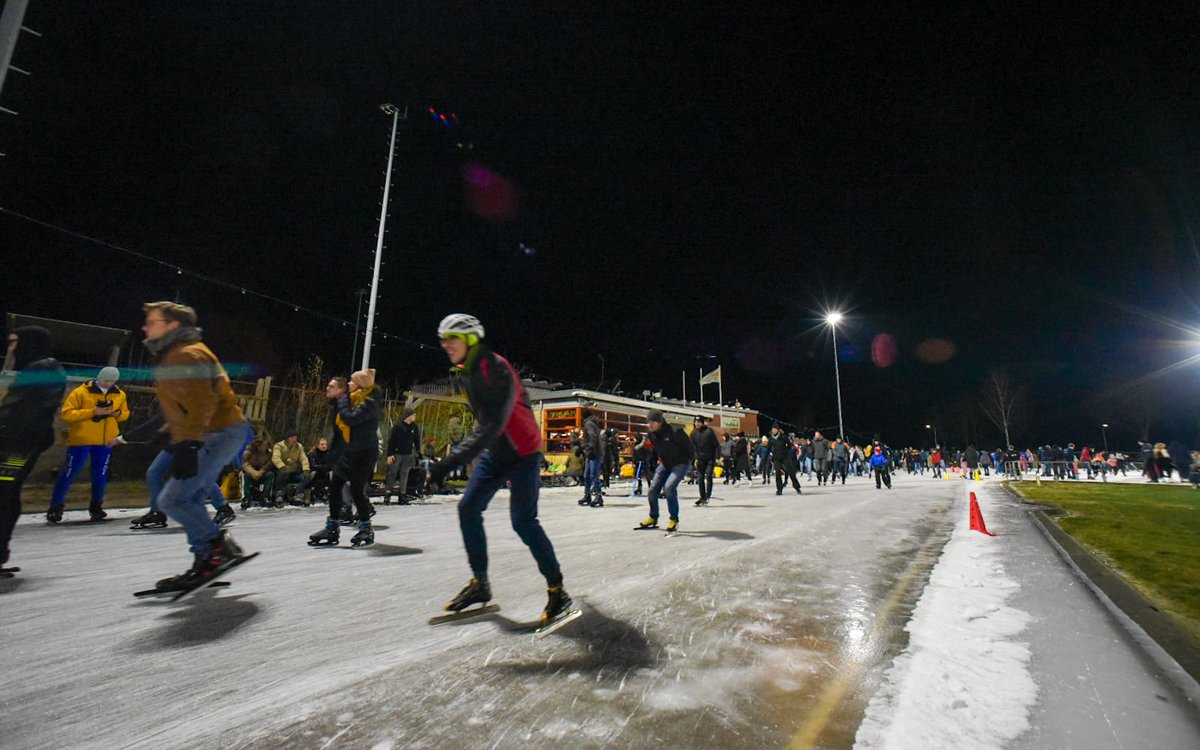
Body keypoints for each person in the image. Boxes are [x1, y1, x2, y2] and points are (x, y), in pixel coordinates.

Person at [425, 314, 572, 625]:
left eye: (451, 338)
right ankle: (481, 583)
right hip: (498, 451)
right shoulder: (470, 371)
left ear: (469, 340)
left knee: (523, 522)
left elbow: (492, 424)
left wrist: (450, 462)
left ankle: (558, 591)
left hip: (522, 453)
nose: (445, 345)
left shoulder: (495, 368)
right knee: (468, 508)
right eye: (443, 339)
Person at [139, 301, 252, 594]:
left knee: (173, 499)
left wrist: (188, 443)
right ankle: (210, 554)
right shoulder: (177, 353)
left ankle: (216, 549)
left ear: (173, 326)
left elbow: (203, 401)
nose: (145, 327)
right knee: (182, 497)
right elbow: (187, 404)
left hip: (218, 433)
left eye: (153, 322)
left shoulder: (186, 354)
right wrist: (170, 432)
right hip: (213, 431)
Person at [0, 327, 66, 571]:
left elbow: (22, 410)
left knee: (4, 491)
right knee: (7, 492)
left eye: (14, 343)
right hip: (21, 442)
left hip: (18, 445)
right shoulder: (42, 367)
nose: (11, 348)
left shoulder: (42, 368)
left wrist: (5, 434)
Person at [47, 366, 129, 522]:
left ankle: (96, 507)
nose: (108, 384)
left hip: (106, 441)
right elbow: (67, 413)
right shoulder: (81, 392)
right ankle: (56, 507)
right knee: (70, 472)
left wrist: (118, 414)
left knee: (100, 475)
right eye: (106, 380)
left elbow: (125, 413)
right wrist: (93, 412)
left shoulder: (119, 394)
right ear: (99, 378)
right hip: (82, 440)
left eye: (112, 381)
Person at [308, 371, 380, 547]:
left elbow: (351, 419)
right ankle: (332, 527)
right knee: (335, 487)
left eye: (352, 381)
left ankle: (366, 528)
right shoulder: (353, 399)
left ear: (360, 384)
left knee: (356, 489)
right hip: (350, 451)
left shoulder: (370, 402)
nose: (349, 384)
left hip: (364, 452)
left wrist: (341, 400)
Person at [637, 409, 694, 532]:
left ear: (660, 422)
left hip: (680, 463)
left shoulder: (675, 431)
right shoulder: (651, 435)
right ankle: (653, 517)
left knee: (669, 487)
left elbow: (689, 447)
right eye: (648, 422)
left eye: (653, 422)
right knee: (652, 490)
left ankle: (674, 519)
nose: (650, 425)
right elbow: (654, 450)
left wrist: (691, 462)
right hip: (666, 464)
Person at [385, 408, 420, 504]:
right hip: (397, 453)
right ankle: (388, 493)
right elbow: (391, 441)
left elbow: (416, 440)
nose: (415, 417)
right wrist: (389, 454)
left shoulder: (414, 427)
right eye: (413, 415)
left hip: (408, 454)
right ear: (409, 416)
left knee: (405, 474)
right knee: (393, 473)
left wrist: (418, 451)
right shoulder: (398, 427)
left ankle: (402, 494)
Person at [271, 428, 311, 504]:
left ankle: (298, 494)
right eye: (292, 438)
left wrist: (306, 469)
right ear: (287, 438)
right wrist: (282, 467)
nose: (294, 439)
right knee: (281, 474)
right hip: (282, 470)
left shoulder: (299, 446)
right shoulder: (279, 445)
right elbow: (275, 457)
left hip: (294, 471)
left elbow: (304, 458)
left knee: (306, 476)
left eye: (295, 438)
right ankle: (279, 494)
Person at [690, 415, 719, 506]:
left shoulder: (709, 432)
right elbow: (692, 448)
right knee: (700, 478)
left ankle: (707, 496)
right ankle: (702, 497)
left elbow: (716, 445)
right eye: (695, 422)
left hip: (710, 458)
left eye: (698, 422)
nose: (697, 423)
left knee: (709, 476)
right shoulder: (693, 433)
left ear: (702, 422)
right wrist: (694, 458)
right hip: (700, 459)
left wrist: (718, 457)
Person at [241, 433, 275, 507]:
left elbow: (269, 464)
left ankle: (266, 497)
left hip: (262, 472)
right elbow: (244, 463)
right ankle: (246, 498)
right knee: (245, 476)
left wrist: (261, 471)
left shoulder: (269, 453)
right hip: (251, 472)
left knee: (270, 475)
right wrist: (253, 472)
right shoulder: (249, 452)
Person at [579, 413, 605, 507]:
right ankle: (587, 495)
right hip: (592, 453)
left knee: (593, 474)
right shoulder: (592, 424)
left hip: (594, 453)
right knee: (587, 475)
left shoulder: (588, 424)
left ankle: (598, 496)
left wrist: (590, 448)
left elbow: (592, 436)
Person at [769, 425, 802, 495]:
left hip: (785, 457)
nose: (774, 431)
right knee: (777, 473)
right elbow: (768, 449)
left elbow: (789, 445)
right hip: (777, 458)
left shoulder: (783, 437)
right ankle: (779, 489)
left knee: (791, 472)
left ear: (778, 430)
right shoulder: (771, 438)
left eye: (775, 429)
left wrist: (785, 450)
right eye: (773, 429)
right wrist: (765, 458)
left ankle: (796, 487)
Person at [307, 437, 334, 503]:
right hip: (316, 473)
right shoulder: (312, 454)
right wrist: (322, 467)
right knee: (313, 473)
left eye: (325, 444)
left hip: (326, 472)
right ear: (317, 445)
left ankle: (328, 493)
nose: (324, 446)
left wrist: (324, 467)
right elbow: (312, 465)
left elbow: (331, 464)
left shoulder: (330, 453)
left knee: (331, 473)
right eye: (322, 444)